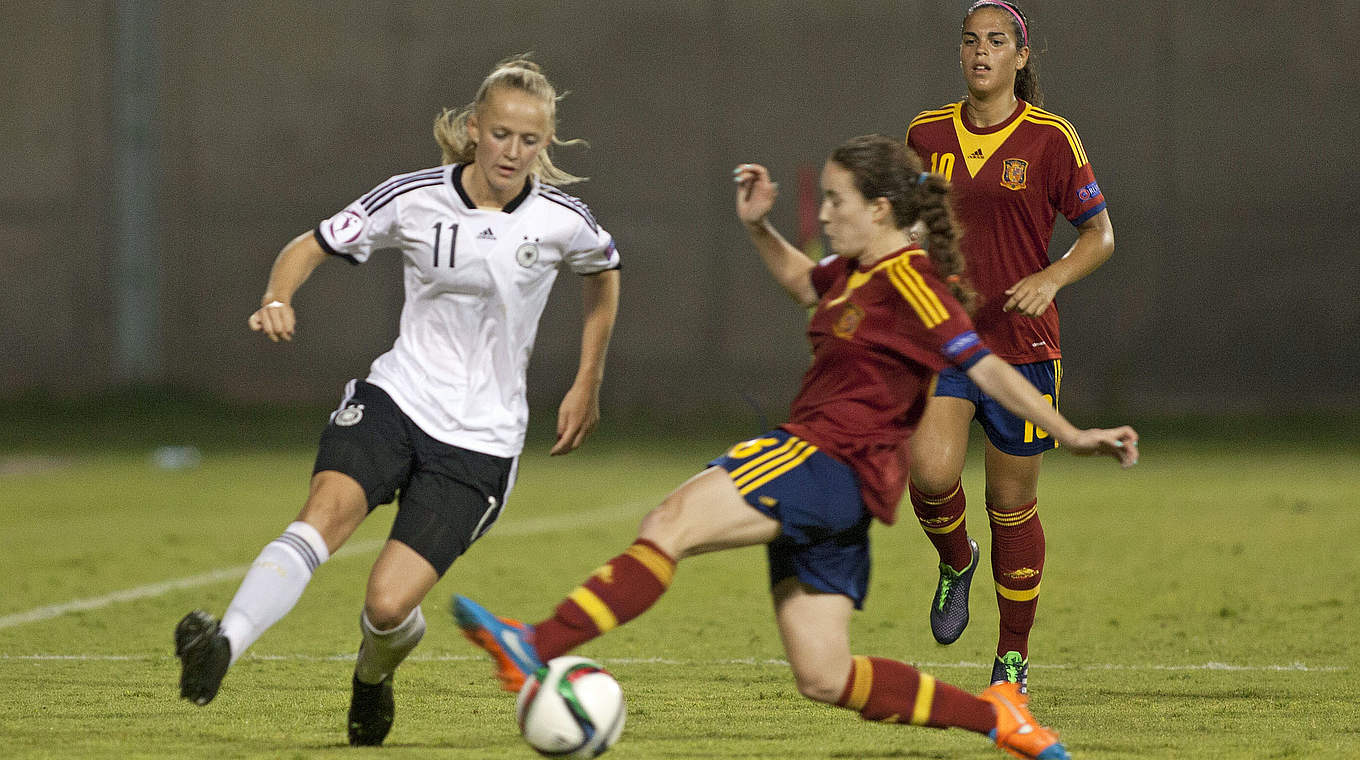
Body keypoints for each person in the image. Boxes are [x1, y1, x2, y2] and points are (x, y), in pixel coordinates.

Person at [453, 135, 1136, 759]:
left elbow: (982, 364)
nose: (828, 212)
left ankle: (533, 645)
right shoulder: (854, 272)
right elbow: (801, 282)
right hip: (844, 488)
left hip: (824, 459)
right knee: (825, 676)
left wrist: (1071, 432)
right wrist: (758, 226)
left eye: (837, 200)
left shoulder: (911, 281)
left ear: (879, 208)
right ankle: (998, 721)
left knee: (668, 523)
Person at [172, 55, 622, 747]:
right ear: (474, 129)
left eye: (530, 141)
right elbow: (311, 244)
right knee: (323, 513)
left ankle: (372, 678)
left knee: (386, 607)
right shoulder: (412, 196)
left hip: (480, 442)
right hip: (398, 397)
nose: (513, 152)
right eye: (501, 134)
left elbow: (604, 274)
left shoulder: (563, 220)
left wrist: (587, 379)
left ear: (546, 145)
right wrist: (276, 296)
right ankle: (222, 645)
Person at [903, 0, 1116, 693]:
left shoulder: (1051, 138)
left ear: (1021, 58)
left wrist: (1051, 278)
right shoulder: (927, 132)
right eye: (970, 41)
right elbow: (905, 223)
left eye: (996, 41)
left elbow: (1099, 234)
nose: (981, 52)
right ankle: (956, 559)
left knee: (1011, 505)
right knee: (930, 477)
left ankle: (1011, 659)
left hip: (1023, 348)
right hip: (951, 341)